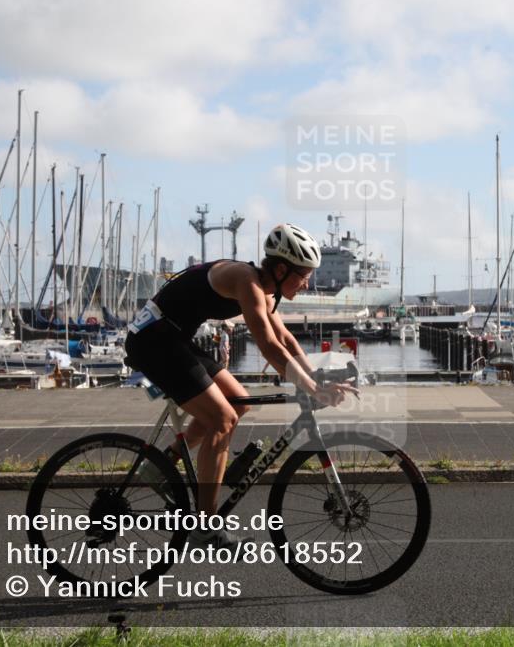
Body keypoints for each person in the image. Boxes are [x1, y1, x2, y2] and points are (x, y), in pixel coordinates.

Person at [124, 223, 358, 549]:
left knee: (239, 401)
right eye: (303, 275)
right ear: (280, 269)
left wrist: (316, 377)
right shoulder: (244, 281)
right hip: (153, 342)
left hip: (172, 338)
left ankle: (161, 465)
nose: (307, 283)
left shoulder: (263, 288)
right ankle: (206, 529)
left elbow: (286, 340)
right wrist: (310, 387)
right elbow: (268, 347)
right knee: (222, 419)